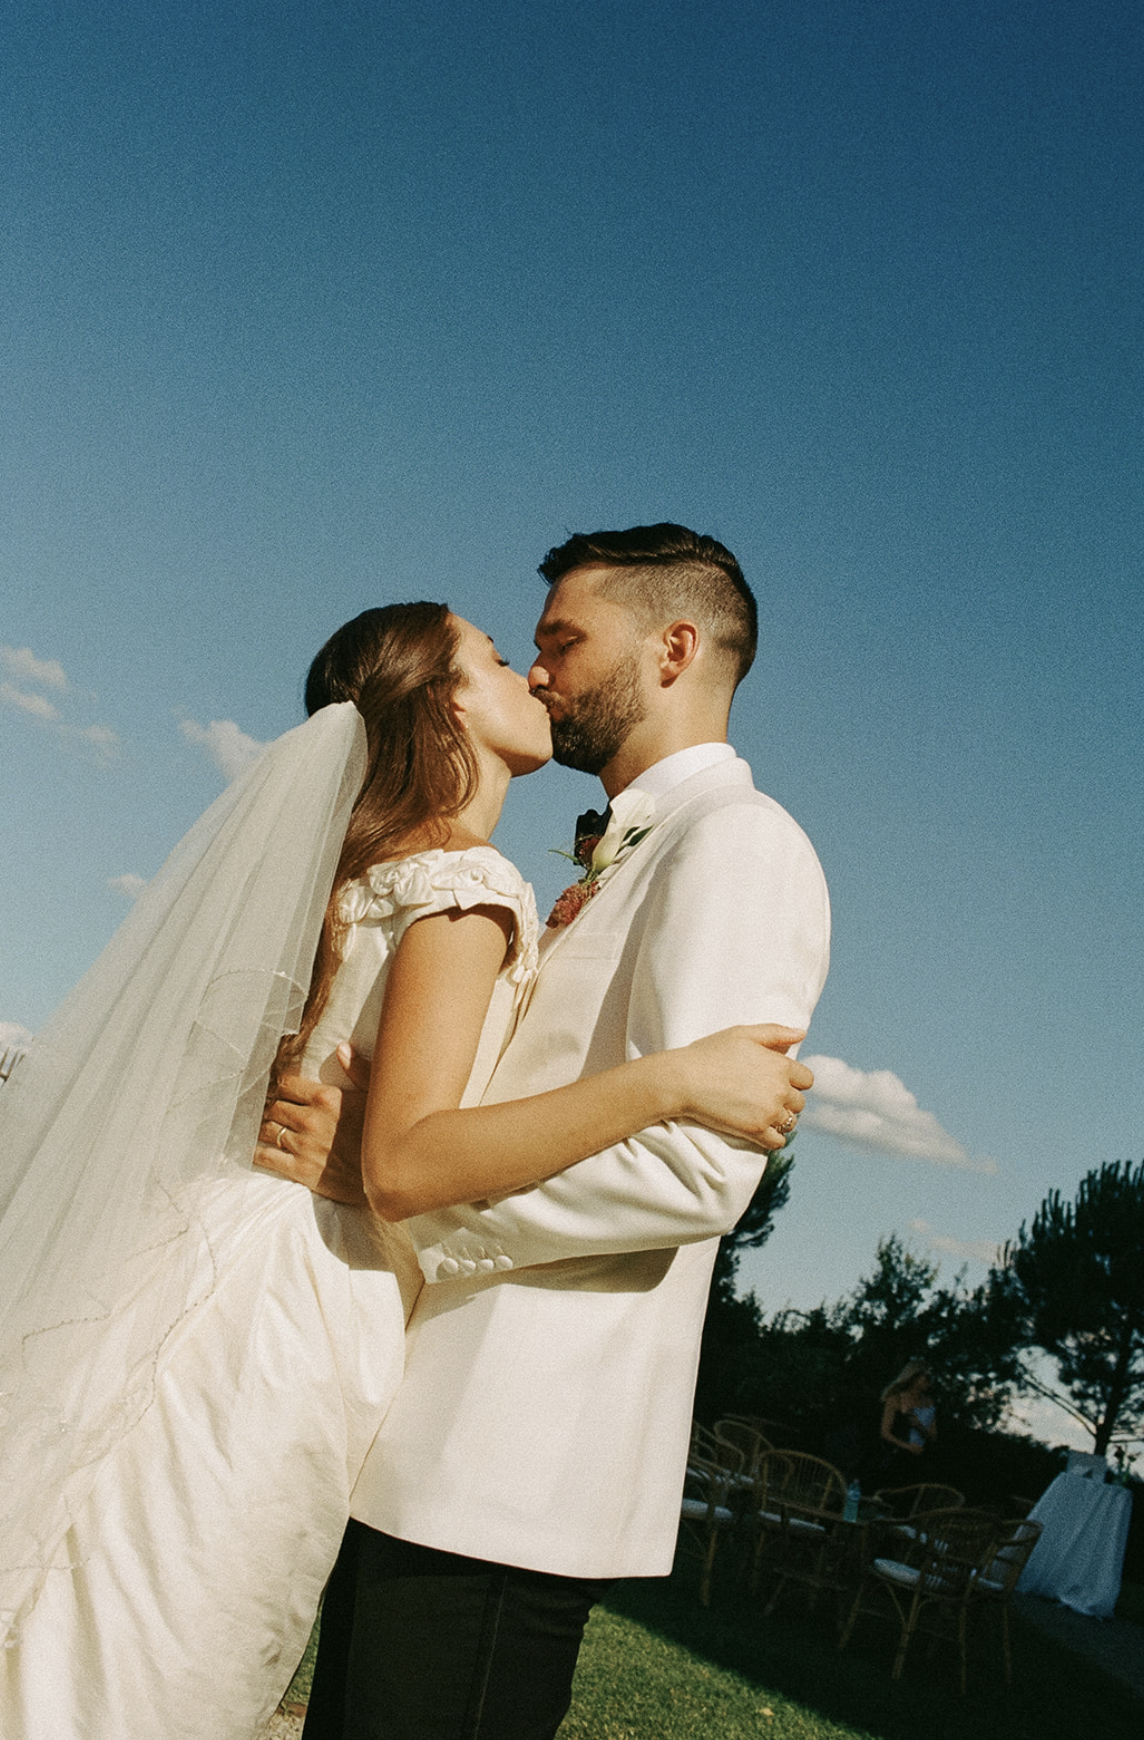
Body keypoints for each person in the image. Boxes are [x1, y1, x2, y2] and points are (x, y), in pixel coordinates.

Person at [0, 600, 808, 1740]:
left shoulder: (370, 869)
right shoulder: (461, 883)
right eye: (493, 655)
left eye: (547, 644)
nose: (528, 670)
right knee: (167, 1633)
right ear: (444, 705)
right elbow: (404, 1159)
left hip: (222, 1255)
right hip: (296, 1300)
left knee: (101, 1592)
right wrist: (670, 1080)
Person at [272, 524, 832, 1740]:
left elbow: (691, 1173)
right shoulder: (621, 853)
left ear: (674, 647)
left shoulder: (741, 845)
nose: (538, 674)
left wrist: (403, 1198)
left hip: (513, 1466)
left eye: (562, 643)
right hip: (420, 1438)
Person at [879, 1360, 938, 1468]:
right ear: (914, 1376)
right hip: (895, 1456)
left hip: (920, 1458)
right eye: (927, 1378)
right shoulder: (896, 1399)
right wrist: (907, 1447)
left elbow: (933, 1436)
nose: (929, 1382)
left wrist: (918, 1426)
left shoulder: (928, 1402)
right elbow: (885, 1433)